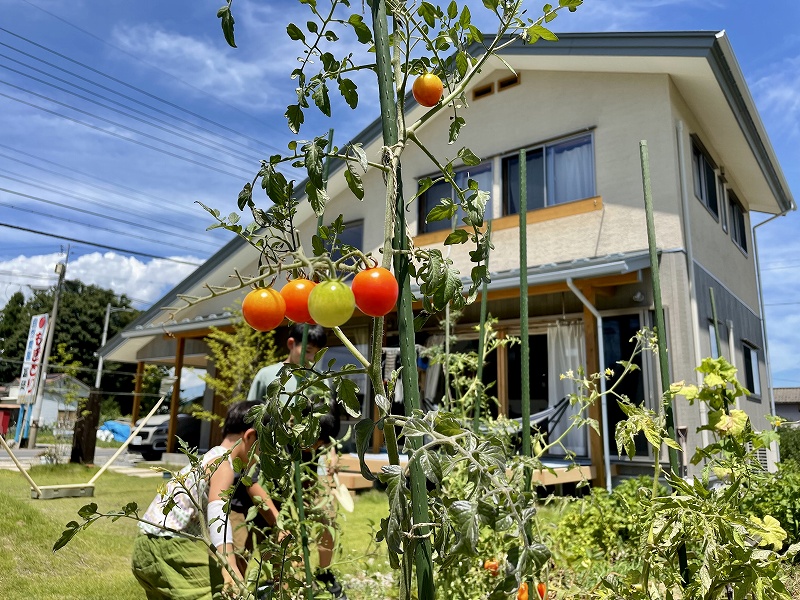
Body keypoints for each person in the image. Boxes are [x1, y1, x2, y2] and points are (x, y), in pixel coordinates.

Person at [247, 323, 348, 600]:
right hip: (274, 465)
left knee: (325, 517)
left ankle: (324, 574)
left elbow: (328, 425)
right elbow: (253, 419)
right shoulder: (267, 375)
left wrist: (333, 453)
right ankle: (281, 580)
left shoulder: (321, 379)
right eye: (309, 350)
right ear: (291, 344)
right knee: (279, 523)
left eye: (317, 352)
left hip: (310, 465)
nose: (312, 358)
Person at [131, 400, 270, 600]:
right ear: (250, 436)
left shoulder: (209, 458)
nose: (260, 455)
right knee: (223, 590)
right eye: (262, 447)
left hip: (144, 544)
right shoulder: (224, 466)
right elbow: (218, 512)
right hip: (167, 548)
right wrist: (229, 566)